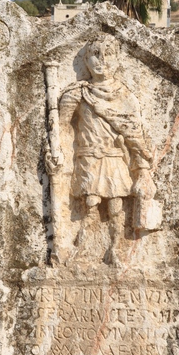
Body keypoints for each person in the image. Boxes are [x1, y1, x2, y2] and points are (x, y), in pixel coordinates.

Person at [58, 34, 155, 265]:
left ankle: (115, 249)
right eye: (95, 55)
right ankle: (81, 247)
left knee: (115, 206)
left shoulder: (125, 95)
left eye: (108, 55)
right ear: (86, 60)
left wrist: (142, 169)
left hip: (115, 158)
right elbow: (61, 126)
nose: (102, 61)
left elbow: (136, 134)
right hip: (89, 158)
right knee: (90, 203)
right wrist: (56, 151)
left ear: (118, 60)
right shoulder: (78, 92)